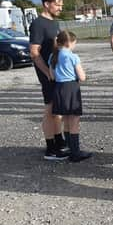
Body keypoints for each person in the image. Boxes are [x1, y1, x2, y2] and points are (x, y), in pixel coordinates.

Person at [29, 0, 68, 160]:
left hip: (57, 73)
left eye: (61, 4)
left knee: (57, 110)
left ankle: (60, 141)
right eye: (57, 4)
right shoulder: (38, 24)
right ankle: (50, 148)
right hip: (48, 75)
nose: (60, 7)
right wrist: (47, 73)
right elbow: (34, 52)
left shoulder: (54, 22)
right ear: (46, 4)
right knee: (49, 110)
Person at [48, 31, 92, 162]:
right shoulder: (73, 56)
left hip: (59, 88)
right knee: (74, 122)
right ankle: (75, 153)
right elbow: (82, 77)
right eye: (74, 43)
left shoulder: (52, 56)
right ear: (69, 43)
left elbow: (52, 76)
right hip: (71, 88)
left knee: (66, 120)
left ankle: (70, 148)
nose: (75, 46)